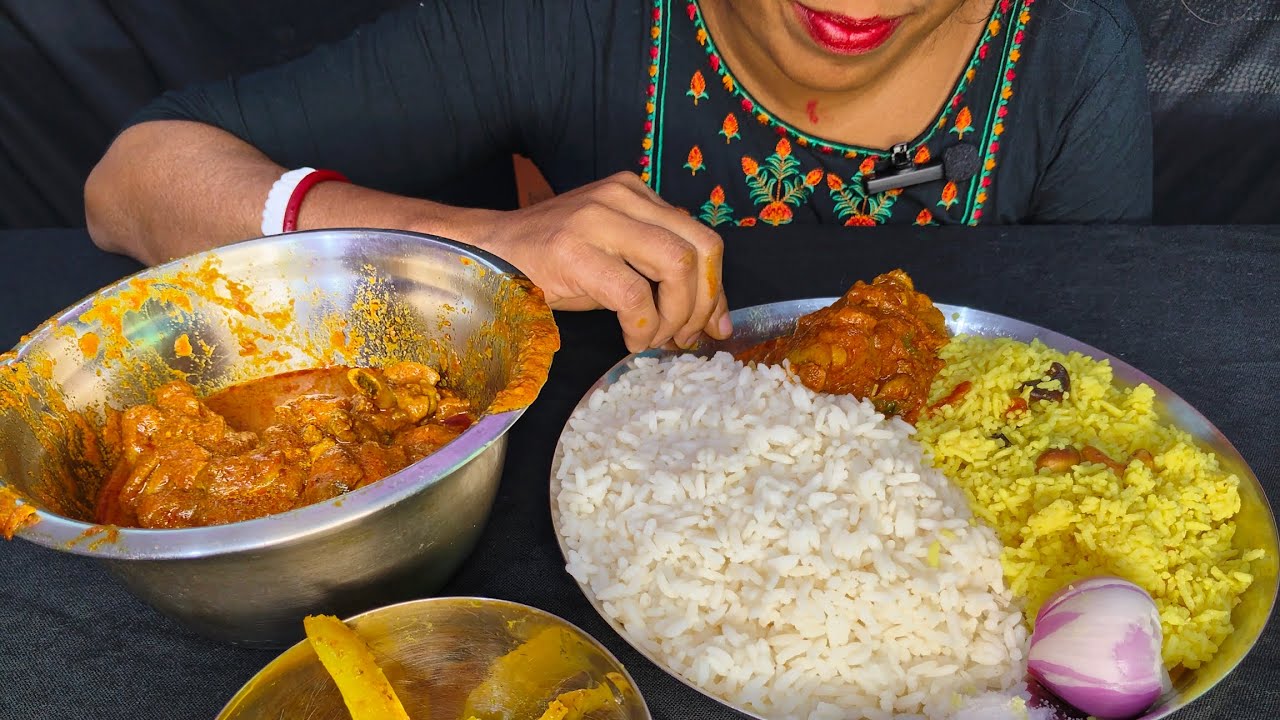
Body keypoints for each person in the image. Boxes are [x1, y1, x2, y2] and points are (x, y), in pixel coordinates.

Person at [85, 0, 1152, 353]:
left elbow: (1095, 357)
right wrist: (475, 244)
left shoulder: (1071, 52)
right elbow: (129, 181)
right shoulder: (565, 17)